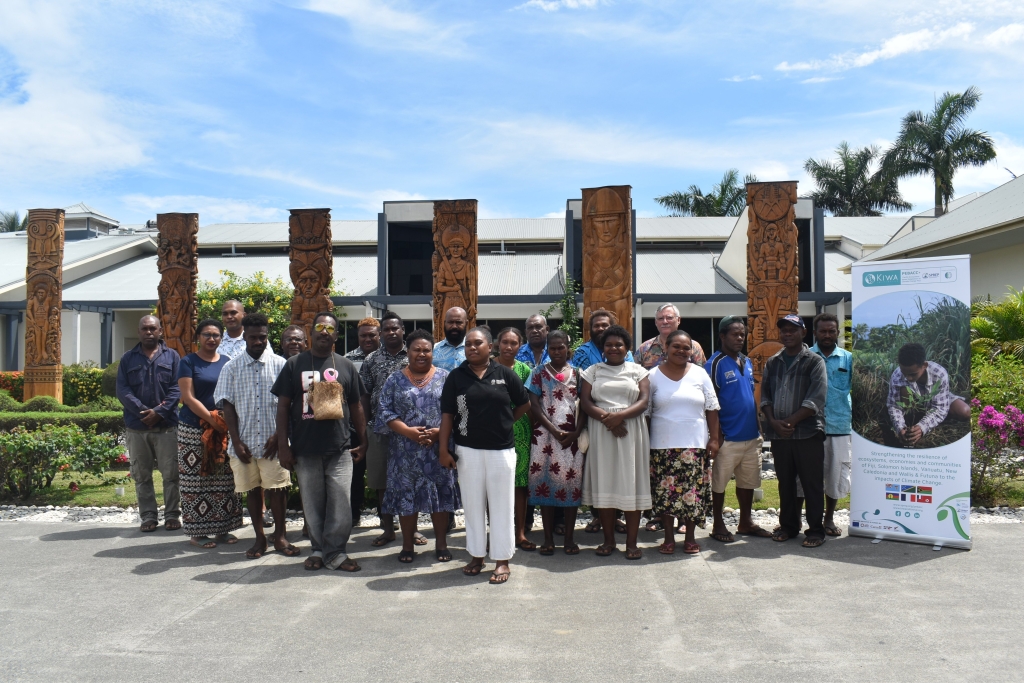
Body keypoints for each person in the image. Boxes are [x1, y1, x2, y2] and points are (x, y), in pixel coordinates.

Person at [272, 311, 366, 572]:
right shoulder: (294, 364)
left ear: (336, 335)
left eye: (330, 328)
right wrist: (283, 445)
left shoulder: (345, 366)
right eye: (319, 327)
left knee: (340, 503)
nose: (324, 331)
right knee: (312, 503)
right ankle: (316, 549)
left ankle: (335, 552)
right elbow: (282, 406)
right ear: (310, 332)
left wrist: (364, 440)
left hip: (340, 448)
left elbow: (357, 405)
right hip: (305, 448)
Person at [439, 326, 531, 585]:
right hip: (467, 451)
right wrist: (443, 449)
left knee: (502, 506)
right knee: (473, 505)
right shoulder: (456, 377)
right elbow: (447, 415)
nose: (472, 348)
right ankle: (477, 556)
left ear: (490, 347)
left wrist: (506, 423)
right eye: (468, 344)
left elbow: (523, 403)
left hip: (501, 451)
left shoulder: (505, 374)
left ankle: (502, 560)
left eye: (477, 343)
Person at [215, 313, 299, 560]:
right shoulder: (231, 368)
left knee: (279, 490)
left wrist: (279, 437)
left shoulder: (281, 365)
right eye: (253, 337)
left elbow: (292, 404)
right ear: (245, 337)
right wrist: (236, 440)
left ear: (267, 336)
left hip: (276, 443)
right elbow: (226, 406)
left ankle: (281, 535)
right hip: (245, 443)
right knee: (252, 490)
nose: (258, 342)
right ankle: (260, 537)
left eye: (262, 337)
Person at [376, 329, 461, 563]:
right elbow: (384, 410)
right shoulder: (394, 379)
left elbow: (456, 411)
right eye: (417, 349)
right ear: (408, 351)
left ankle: (441, 544)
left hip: (438, 449)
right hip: (404, 450)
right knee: (407, 496)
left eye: (427, 350)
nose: (422, 354)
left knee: (440, 496)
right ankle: (407, 545)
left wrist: (439, 433)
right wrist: (408, 432)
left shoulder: (446, 377)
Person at [580, 325, 651, 560]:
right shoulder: (593, 371)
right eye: (609, 344)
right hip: (602, 431)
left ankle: (631, 543)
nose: (614, 348)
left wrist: (619, 417)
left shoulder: (638, 371)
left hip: (631, 431)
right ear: (603, 348)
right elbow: (586, 402)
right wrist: (608, 420)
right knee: (606, 482)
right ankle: (608, 540)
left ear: (626, 348)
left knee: (631, 482)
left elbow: (643, 401)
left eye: (619, 344)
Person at [648, 330, 720, 555]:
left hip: (694, 445)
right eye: (676, 346)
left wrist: (714, 439)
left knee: (692, 494)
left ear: (692, 350)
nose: (681, 351)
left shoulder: (700, 374)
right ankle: (668, 538)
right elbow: (646, 413)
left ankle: (690, 538)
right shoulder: (652, 376)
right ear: (665, 348)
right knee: (665, 495)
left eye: (686, 347)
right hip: (661, 445)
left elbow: (712, 409)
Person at [760, 314, 829, 548]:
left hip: (808, 433)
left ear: (803, 333)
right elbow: (765, 395)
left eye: (792, 330)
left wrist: (789, 421)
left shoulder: (814, 361)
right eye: (784, 331)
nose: (787, 334)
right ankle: (789, 526)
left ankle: (816, 531)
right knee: (786, 483)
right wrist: (773, 422)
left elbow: (816, 398)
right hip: (780, 435)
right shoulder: (773, 362)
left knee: (811, 484)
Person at [704, 316, 772, 542]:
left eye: (742, 334)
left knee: (748, 481)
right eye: (735, 334)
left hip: (751, 435)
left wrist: (759, 428)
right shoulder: (715, 363)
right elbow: (709, 402)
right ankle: (718, 525)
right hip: (728, 437)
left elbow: (750, 396)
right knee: (719, 483)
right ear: (722, 336)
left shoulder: (747, 361)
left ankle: (745, 522)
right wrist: (716, 435)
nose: (740, 338)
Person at [177, 319, 243, 548]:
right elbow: (188, 397)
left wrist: (223, 423)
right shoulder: (188, 362)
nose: (212, 338)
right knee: (196, 480)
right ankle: (197, 532)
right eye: (207, 334)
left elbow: (231, 393)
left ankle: (222, 530)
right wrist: (212, 420)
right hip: (193, 429)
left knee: (225, 479)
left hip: (223, 427)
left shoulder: (227, 362)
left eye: (216, 335)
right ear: (199, 337)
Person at [116, 315, 181, 533]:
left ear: (160, 331)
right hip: (137, 426)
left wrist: (159, 412)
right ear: (139, 331)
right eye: (145, 328)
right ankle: (148, 517)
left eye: (153, 328)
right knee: (141, 475)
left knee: (171, 474)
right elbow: (122, 390)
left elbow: (177, 388)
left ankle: (172, 515)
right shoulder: (128, 359)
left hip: (166, 426)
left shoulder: (172, 357)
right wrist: (144, 411)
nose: (149, 332)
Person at [527, 330, 586, 555]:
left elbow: (585, 404)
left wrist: (577, 431)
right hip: (544, 438)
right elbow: (533, 403)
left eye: (561, 347)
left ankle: (569, 539)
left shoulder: (579, 374)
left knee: (571, 487)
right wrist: (550, 428)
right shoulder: (538, 373)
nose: (557, 351)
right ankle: (548, 539)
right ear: (547, 349)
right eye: (552, 348)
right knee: (545, 487)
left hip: (571, 439)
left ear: (567, 348)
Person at [360, 311, 416, 547]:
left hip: (410, 430)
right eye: (387, 329)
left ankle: (411, 532)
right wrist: (366, 425)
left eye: (396, 328)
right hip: (379, 429)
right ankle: (387, 529)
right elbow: (363, 394)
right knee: (382, 481)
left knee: (410, 480)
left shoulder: (414, 356)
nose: (391, 332)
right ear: (381, 333)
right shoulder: (371, 359)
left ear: (403, 330)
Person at [806, 313, 853, 537]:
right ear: (815, 333)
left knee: (835, 474)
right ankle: (807, 519)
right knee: (807, 476)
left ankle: (829, 518)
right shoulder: (806, 357)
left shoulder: (848, 359)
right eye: (822, 331)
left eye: (831, 331)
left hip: (840, 425)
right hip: (809, 427)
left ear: (837, 332)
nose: (827, 335)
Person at [494, 327, 536, 551]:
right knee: (495, 485)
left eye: (514, 343)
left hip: (520, 431)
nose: (509, 347)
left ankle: (519, 533)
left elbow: (529, 404)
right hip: (491, 431)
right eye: (505, 342)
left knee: (520, 485)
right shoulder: (487, 367)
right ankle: (498, 533)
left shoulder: (524, 370)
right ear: (497, 344)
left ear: (520, 346)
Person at [886, 342, 971, 447]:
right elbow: (894, 406)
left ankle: (934, 419)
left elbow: (940, 407)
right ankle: (914, 418)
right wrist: (900, 428)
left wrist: (922, 427)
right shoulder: (897, 375)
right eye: (905, 373)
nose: (908, 378)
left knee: (965, 412)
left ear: (924, 365)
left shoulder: (939, 373)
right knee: (904, 389)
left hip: (938, 398)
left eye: (913, 374)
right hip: (913, 406)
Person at [635, 303, 706, 368]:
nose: (665, 322)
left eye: (669, 318)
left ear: (678, 320)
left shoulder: (693, 347)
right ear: (656, 322)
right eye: (660, 318)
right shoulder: (644, 348)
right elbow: (635, 376)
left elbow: (702, 375)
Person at [433, 307, 468, 371]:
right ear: (444, 323)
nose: (454, 326)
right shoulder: (433, 349)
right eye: (450, 322)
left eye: (458, 322)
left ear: (466, 324)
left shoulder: (474, 350)